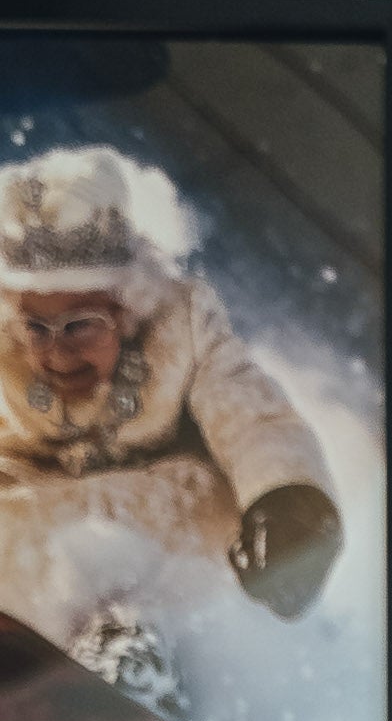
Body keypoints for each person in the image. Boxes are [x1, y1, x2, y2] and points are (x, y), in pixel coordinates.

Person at [0, 148, 343, 649]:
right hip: (32, 530)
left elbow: (251, 418)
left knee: (182, 517)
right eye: (38, 327)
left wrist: (288, 501)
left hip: (167, 526)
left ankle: (136, 653)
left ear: (126, 310)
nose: (57, 353)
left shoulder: (182, 325)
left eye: (80, 326)